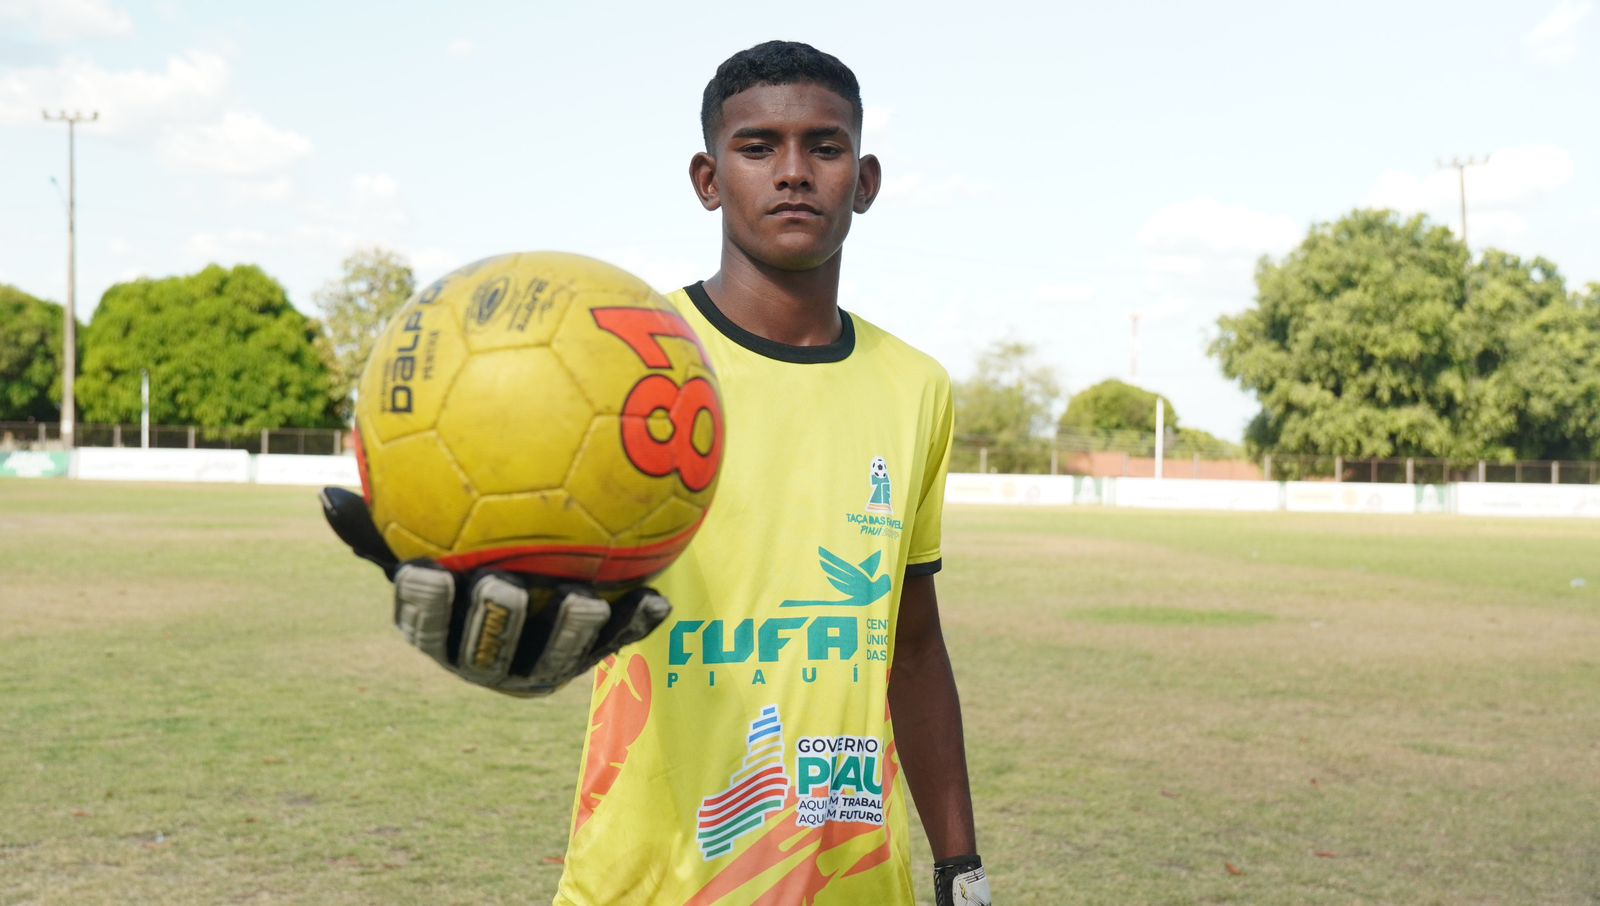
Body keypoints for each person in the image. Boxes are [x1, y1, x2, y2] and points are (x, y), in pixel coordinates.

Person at [323, 40, 989, 906]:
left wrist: (959, 862)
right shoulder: (622, 357)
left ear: (863, 181)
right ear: (707, 179)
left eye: (823, 147)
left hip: (856, 881)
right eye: (757, 148)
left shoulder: (916, 387)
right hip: (648, 879)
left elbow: (914, 641)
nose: (792, 172)